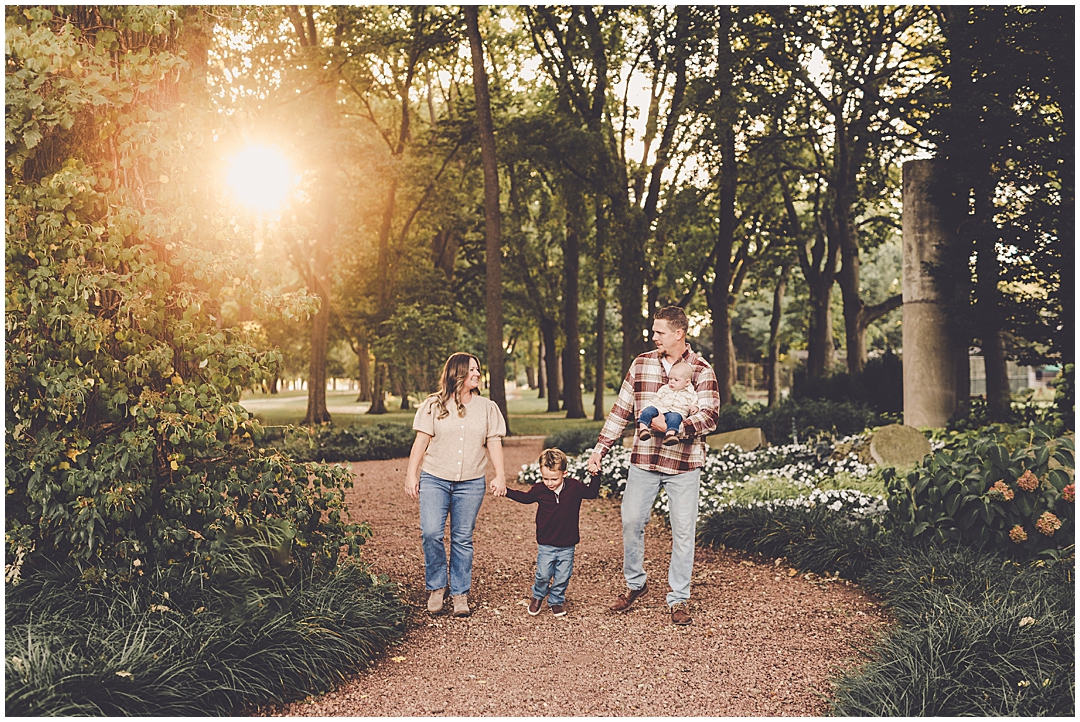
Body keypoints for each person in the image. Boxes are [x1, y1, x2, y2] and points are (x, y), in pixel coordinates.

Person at [586, 306, 720, 626]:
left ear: (679, 333)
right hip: (644, 461)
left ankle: (679, 597)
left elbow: (710, 416)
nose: (654, 336)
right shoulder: (641, 363)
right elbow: (621, 410)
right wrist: (600, 450)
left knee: (683, 531)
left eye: (660, 332)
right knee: (631, 521)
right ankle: (636, 583)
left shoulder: (702, 370)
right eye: (653, 331)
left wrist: (676, 427)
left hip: (684, 463)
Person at [405, 352, 507, 618]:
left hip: (471, 482)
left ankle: (460, 593)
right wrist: (411, 474)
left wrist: (500, 475)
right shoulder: (433, 405)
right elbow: (421, 441)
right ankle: (437, 587)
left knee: (462, 538)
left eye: (478, 369)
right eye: (471, 369)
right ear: (457, 372)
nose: (477, 373)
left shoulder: (487, 407)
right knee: (431, 533)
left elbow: (494, 441)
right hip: (435, 478)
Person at [505, 448, 600, 618]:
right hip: (546, 542)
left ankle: (556, 600)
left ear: (564, 473)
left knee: (563, 576)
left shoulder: (574, 487)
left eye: (554, 479)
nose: (549, 483)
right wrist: (506, 491)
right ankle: (538, 596)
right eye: (545, 478)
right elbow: (525, 498)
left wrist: (595, 475)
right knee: (543, 575)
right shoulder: (539, 490)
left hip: (567, 543)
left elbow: (592, 493)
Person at [636, 360, 700, 446]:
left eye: (676, 380)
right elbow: (655, 399)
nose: (672, 381)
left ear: (687, 382)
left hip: (676, 412)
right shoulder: (665, 388)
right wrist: (646, 408)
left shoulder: (691, 393)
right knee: (648, 410)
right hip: (660, 410)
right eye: (670, 379)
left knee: (675, 417)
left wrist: (695, 408)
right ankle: (643, 429)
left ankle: (670, 435)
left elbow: (695, 403)